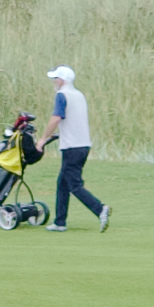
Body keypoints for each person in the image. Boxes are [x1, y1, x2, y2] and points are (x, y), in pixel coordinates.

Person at [47, 66, 109, 231]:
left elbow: (56, 119)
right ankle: (60, 222)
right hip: (83, 145)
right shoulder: (79, 95)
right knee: (63, 183)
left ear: (62, 80)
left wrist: (42, 139)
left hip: (71, 147)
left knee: (74, 185)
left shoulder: (62, 95)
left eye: (56, 79)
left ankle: (100, 209)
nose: (54, 82)